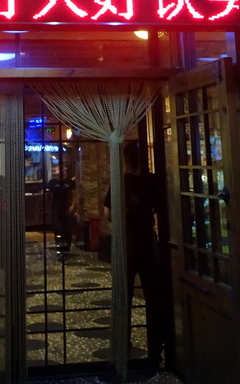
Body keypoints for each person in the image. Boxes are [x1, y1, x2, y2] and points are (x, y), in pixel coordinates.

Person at [103, 141, 165, 365]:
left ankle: (122, 343)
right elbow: (162, 208)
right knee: (153, 295)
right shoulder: (153, 180)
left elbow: (108, 215)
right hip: (148, 241)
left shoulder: (119, 181)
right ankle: (156, 345)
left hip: (125, 243)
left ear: (125, 160)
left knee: (123, 296)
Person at [46, 163, 76, 259]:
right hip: (56, 208)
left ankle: (66, 249)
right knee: (57, 229)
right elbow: (48, 195)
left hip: (66, 208)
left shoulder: (69, 182)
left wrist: (72, 206)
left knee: (67, 229)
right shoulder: (53, 182)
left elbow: (74, 195)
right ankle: (60, 249)